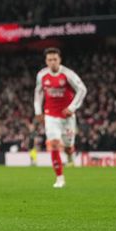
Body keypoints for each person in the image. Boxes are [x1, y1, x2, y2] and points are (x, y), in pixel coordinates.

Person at [34, 47, 87, 188]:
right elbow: (38, 92)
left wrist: (72, 108)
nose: (52, 62)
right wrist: (38, 111)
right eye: (49, 60)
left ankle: (70, 154)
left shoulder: (68, 74)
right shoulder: (41, 75)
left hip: (67, 117)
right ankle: (60, 178)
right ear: (46, 61)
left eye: (55, 59)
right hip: (50, 115)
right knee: (54, 144)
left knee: (68, 146)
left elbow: (82, 89)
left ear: (60, 60)